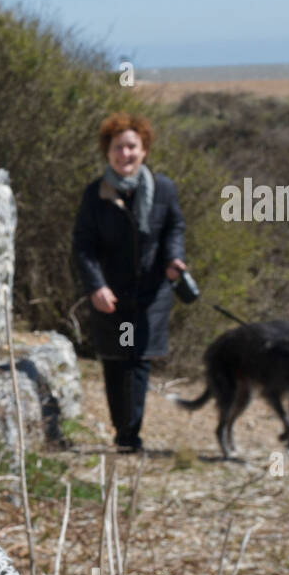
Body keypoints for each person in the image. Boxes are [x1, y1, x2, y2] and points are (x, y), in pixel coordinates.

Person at [71, 113, 187, 452]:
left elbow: (174, 228)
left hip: (150, 294)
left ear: (144, 150)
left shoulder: (163, 188)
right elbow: (83, 245)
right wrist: (95, 285)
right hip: (112, 294)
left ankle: (129, 436)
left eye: (132, 147)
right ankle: (122, 429)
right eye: (118, 147)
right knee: (117, 359)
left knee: (138, 359)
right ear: (107, 152)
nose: (125, 154)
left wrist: (174, 259)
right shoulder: (96, 194)